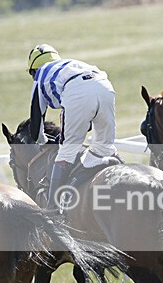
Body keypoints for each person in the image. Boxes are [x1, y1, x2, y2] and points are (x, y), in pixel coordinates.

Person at [26, 44, 118, 209]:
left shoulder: (40, 75)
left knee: (67, 151)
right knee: (105, 147)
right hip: (105, 85)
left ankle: (52, 210)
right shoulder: (68, 66)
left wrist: (44, 140)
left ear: (33, 70)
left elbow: (36, 121)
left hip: (77, 91)